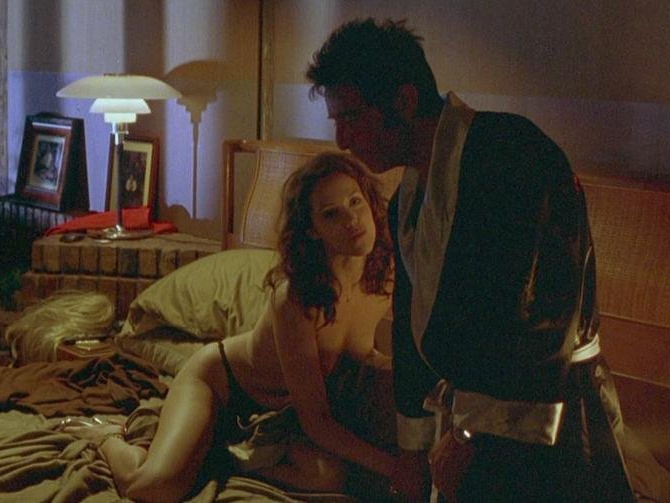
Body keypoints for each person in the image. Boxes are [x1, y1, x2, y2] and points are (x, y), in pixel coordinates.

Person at [306, 18, 646, 502]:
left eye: (352, 117)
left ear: (404, 101)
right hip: (469, 422)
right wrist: (412, 449)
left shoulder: (512, 154)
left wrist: (472, 435)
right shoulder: (408, 199)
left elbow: (543, 312)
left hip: (548, 414)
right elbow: (412, 330)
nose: (342, 139)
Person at [67, 152, 419, 502]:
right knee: (154, 487)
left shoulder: (387, 275)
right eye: (331, 213)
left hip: (283, 417)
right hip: (223, 387)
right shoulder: (295, 299)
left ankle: (222, 456)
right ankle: (106, 437)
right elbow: (317, 421)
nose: (352, 219)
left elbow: (366, 354)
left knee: (328, 475)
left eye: (355, 201)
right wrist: (394, 467)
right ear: (312, 230)